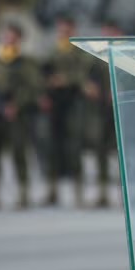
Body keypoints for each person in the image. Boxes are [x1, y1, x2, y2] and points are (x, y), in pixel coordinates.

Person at [0, 21, 41, 209]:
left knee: (18, 153)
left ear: (19, 39)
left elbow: (32, 88)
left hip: (17, 115)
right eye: (6, 35)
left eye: (12, 35)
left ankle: (23, 192)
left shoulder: (25, 63)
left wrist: (16, 105)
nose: (8, 38)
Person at [41, 15, 88, 207]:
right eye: (60, 31)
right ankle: (52, 190)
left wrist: (66, 79)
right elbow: (43, 73)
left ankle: (78, 192)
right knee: (52, 147)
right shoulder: (53, 52)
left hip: (73, 103)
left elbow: (84, 74)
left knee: (73, 147)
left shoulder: (79, 52)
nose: (63, 34)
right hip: (55, 105)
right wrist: (48, 85)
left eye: (66, 30)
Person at [83, 20, 121, 208]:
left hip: (120, 109)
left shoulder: (123, 54)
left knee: (121, 151)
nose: (107, 35)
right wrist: (89, 87)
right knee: (100, 149)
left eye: (111, 31)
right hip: (100, 109)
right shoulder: (97, 56)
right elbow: (88, 77)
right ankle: (103, 191)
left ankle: (124, 192)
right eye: (105, 31)